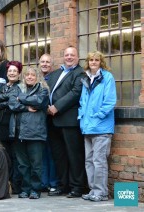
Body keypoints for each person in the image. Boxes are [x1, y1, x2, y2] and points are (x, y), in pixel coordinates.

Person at [47, 46, 86, 198]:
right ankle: (63, 185)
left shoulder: (80, 73)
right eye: (67, 55)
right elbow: (46, 90)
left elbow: (75, 93)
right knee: (59, 155)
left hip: (69, 120)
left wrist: (57, 107)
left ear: (77, 57)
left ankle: (77, 187)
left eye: (72, 55)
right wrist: (46, 107)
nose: (69, 57)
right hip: (52, 120)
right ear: (63, 56)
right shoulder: (56, 73)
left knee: (74, 155)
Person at [78, 51, 116, 202]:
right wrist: (82, 118)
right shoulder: (86, 78)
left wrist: (97, 117)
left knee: (99, 160)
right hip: (87, 127)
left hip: (101, 127)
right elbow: (82, 101)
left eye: (96, 60)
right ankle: (93, 190)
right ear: (88, 62)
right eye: (91, 60)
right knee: (89, 160)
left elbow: (110, 102)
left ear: (101, 62)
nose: (94, 62)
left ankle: (101, 192)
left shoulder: (107, 77)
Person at [8, 66, 49, 199]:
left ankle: (35, 190)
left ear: (37, 77)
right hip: (18, 132)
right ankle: (25, 189)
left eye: (33, 75)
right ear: (24, 77)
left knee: (36, 164)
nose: (30, 77)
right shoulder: (17, 88)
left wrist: (21, 99)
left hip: (35, 132)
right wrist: (26, 107)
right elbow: (12, 104)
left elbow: (38, 101)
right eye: (27, 75)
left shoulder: (43, 90)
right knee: (23, 164)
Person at [0, 60, 22, 194]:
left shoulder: (21, 87)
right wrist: (6, 99)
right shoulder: (1, 85)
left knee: (16, 156)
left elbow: (13, 102)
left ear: (19, 73)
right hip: (0, 125)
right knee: (4, 156)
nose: (12, 73)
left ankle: (16, 185)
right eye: (10, 71)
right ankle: (5, 183)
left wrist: (2, 102)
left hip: (14, 125)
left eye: (15, 71)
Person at [39, 53, 59, 193]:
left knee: (52, 152)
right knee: (42, 153)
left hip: (52, 121)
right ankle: (44, 182)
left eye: (47, 62)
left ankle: (53, 182)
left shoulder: (55, 78)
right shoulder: (38, 78)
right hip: (40, 121)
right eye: (42, 62)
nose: (45, 64)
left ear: (51, 64)